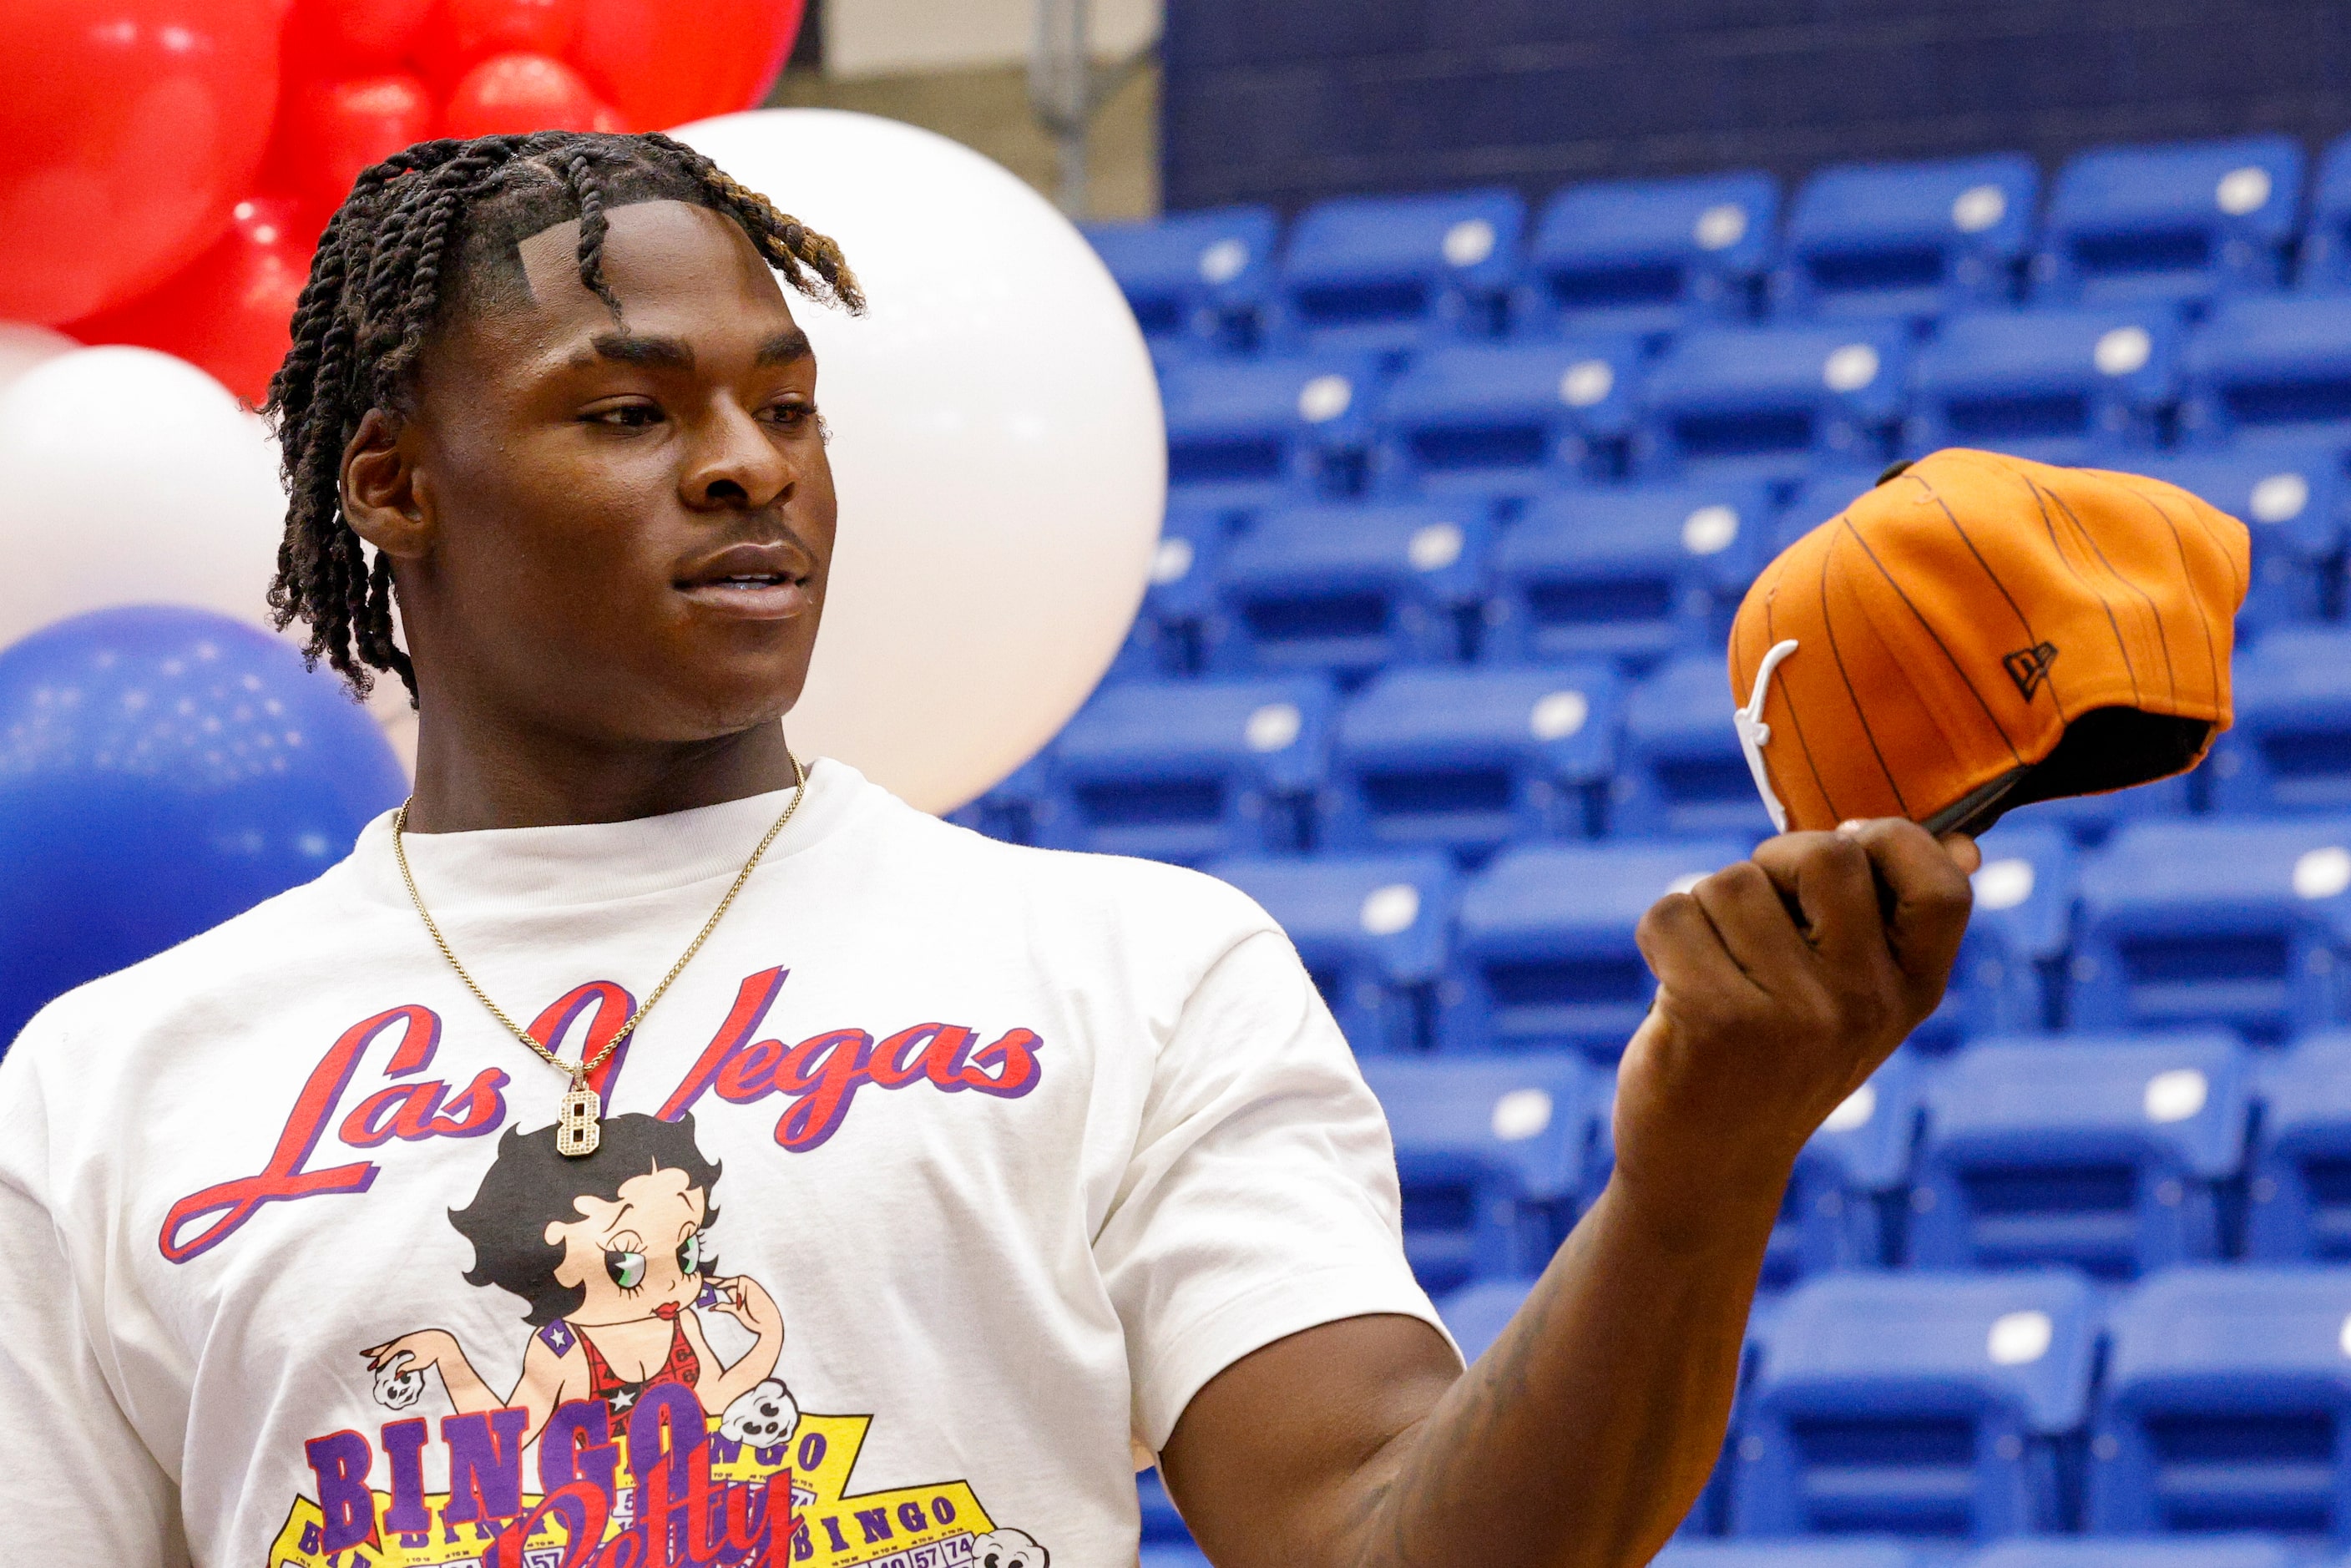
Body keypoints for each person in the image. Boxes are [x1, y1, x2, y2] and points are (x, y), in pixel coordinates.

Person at [0, 130, 1976, 1568]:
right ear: (394, 485)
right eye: (626, 409)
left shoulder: (1128, 969)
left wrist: (1699, 1171)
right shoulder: (112, 1087)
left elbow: (1386, 1540)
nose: (746, 462)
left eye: (788, 405)